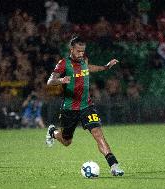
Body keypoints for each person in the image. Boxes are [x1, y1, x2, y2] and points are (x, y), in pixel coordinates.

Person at [45, 35, 124, 176]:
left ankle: (114, 166)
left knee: (98, 134)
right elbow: (50, 81)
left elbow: (89, 68)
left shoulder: (84, 60)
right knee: (66, 141)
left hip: (87, 106)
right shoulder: (63, 63)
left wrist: (105, 67)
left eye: (83, 51)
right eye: (78, 51)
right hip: (69, 108)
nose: (81, 54)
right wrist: (62, 79)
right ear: (71, 49)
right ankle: (53, 132)